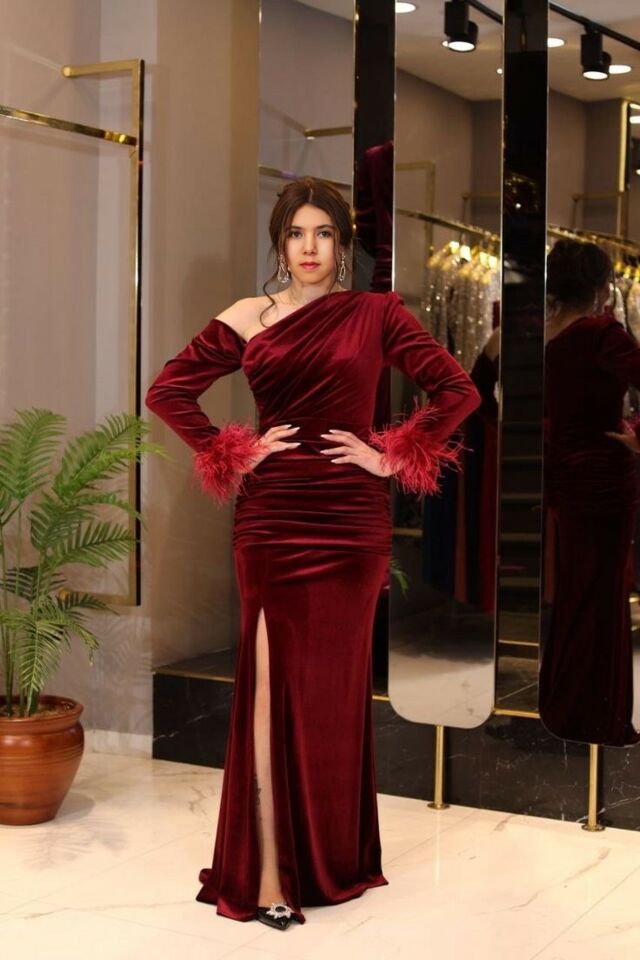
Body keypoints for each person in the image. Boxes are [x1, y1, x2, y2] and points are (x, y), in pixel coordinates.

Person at [145, 177, 480, 929]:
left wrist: (390, 458)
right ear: (279, 242)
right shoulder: (248, 316)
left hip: (351, 526)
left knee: (331, 695)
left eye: (323, 233)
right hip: (271, 523)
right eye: (296, 233)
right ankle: (269, 873)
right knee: (269, 691)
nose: (309, 248)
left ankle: (331, 859)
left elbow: (458, 391)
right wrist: (233, 449)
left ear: (343, 244)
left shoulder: (376, 314)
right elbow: (168, 391)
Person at [541, 239, 640, 746]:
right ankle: (594, 717)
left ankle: (565, 708)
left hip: (559, 479)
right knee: (600, 598)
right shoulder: (602, 333)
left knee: (576, 594)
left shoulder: (535, 334)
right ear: (603, 289)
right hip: (602, 482)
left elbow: (487, 395)